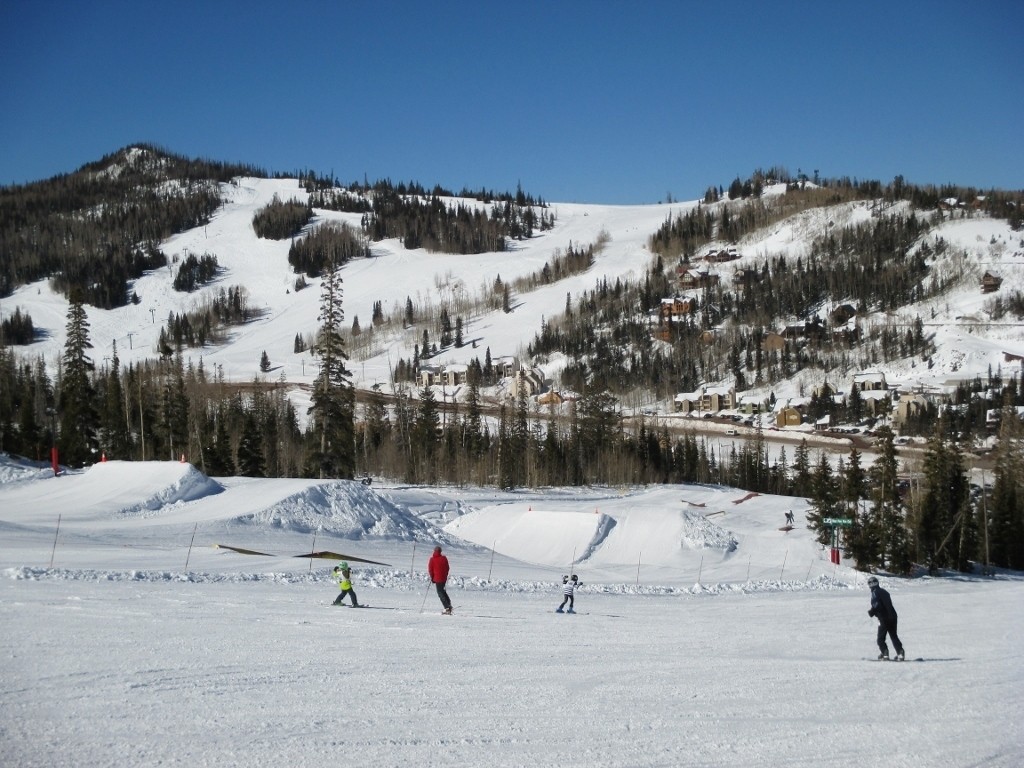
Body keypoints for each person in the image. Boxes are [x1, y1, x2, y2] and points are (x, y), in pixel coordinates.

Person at [867, 575, 904, 660]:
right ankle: (900, 652)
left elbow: (877, 605)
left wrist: (872, 612)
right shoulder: (884, 591)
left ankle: (885, 653)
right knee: (893, 635)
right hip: (893, 616)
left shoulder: (875, 593)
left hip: (884, 618)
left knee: (880, 638)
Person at [428, 545, 453, 615]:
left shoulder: (432, 559)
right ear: (440, 551)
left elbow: (430, 570)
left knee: (440, 593)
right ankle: (449, 605)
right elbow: (448, 568)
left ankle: (447, 608)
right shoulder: (444, 558)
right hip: (443, 578)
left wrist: (432, 578)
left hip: (437, 579)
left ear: (434, 551)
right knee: (443, 591)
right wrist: (445, 575)